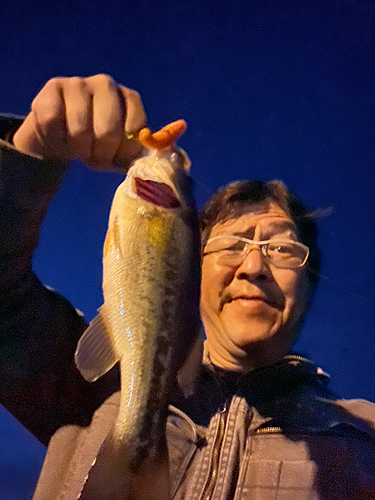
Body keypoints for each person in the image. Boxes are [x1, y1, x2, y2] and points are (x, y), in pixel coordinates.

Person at [1, 74, 375, 500]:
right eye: (233, 245)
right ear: (192, 271)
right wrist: (30, 154)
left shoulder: (367, 436)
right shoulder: (92, 387)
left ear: (308, 288)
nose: (254, 266)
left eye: (283, 249)